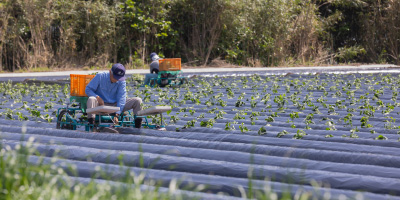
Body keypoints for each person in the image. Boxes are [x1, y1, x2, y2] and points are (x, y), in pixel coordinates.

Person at [85, 63, 143, 128]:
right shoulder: (100, 76)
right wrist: (97, 97)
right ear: (110, 72)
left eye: (118, 78)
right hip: (101, 105)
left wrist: (117, 114)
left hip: (115, 105)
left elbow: (121, 97)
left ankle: (138, 127)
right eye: (115, 77)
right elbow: (88, 89)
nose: (116, 80)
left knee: (138, 100)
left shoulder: (121, 81)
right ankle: (91, 124)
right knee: (91, 99)